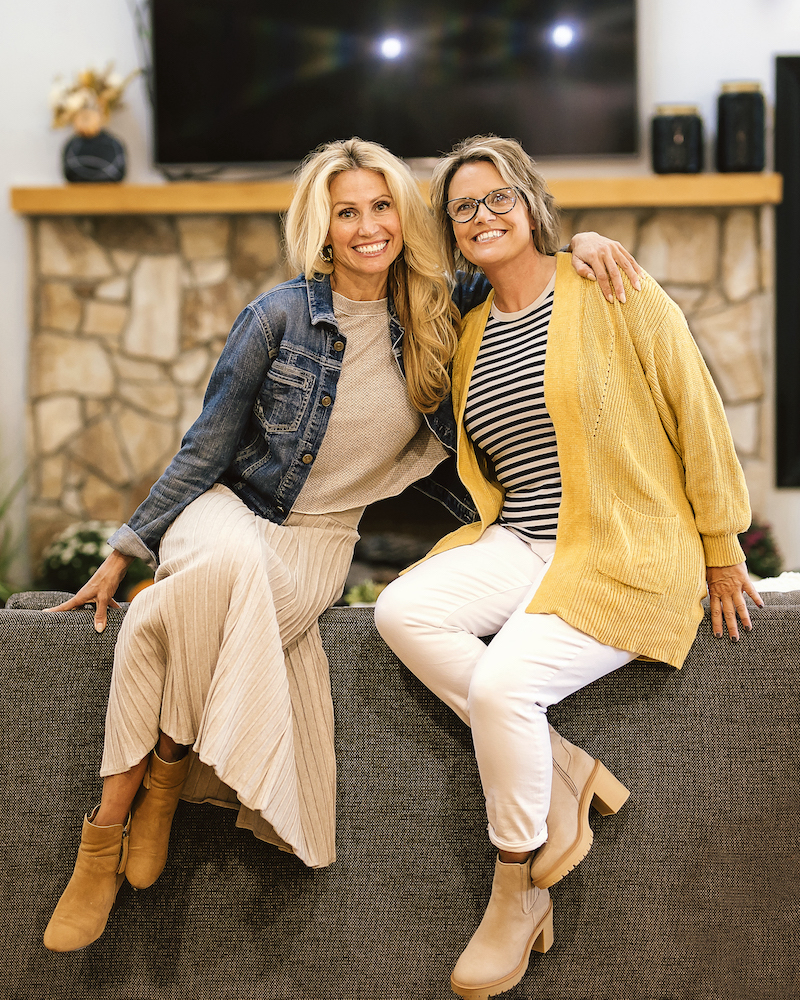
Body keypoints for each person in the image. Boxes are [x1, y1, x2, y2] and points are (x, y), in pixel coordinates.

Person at [41, 137, 637, 953]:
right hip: (231, 512)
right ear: (320, 227)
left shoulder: (439, 308)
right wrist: (124, 550)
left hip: (320, 543)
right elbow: (205, 447)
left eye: (381, 206)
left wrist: (586, 247)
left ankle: (159, 788)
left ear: (404, 215)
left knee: (161, 623)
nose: (366, 227)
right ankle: (110, 833)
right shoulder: (277, 316)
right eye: (345, 212)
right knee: (228, 567)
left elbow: (520, 260)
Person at [374, 134, 763, 1000]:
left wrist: (722, 547)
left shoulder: (607, 285)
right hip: (524, 543)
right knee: (401, 612)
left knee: (505, 684)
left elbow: (693, 406)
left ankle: (517, 883)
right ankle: (564, 774)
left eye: (498, 196)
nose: (483, 216)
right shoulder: (468, 331)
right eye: (464, 207)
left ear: (533, 203)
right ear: (451, 229)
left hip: (622, 547)